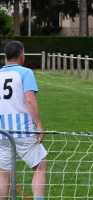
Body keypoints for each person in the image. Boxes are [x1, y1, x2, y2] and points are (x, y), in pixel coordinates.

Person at [0, 41, 47, 200]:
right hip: (24, 131)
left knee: (3, 174)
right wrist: (39, 125)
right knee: (40, 166)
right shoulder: (26, 72)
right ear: (22, 56)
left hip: (2, 132)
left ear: (6, 57)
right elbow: (30, 100)